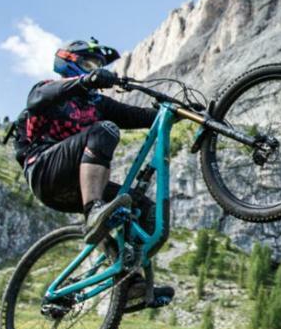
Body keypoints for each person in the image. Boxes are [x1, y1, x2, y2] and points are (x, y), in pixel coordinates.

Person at [9, 38, 171, 306]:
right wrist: (86, 80)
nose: (93, 69)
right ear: (68, 63)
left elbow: (139, 116)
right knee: (104, 130)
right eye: (87, 63)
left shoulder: (97, 104)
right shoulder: (47, 89)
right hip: (44, 172)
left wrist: (177, 112)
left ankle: (128, 284)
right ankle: (94, 209)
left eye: (96, 65)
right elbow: (37, 99)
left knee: (144, 209)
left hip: (77, 184)